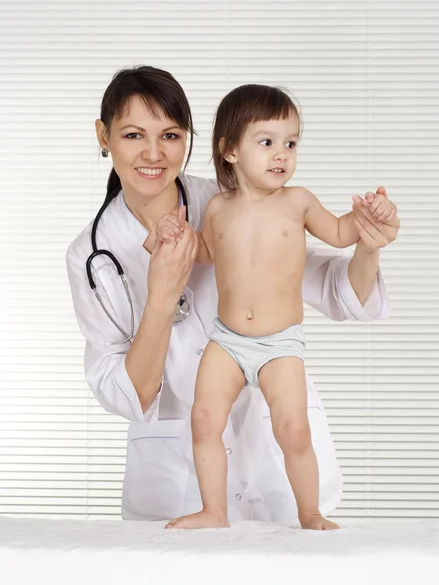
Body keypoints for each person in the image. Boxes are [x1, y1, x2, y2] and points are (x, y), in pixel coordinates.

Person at [65, 66, 400, 524]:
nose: (153, 153)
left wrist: (369, 244)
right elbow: (124, 393)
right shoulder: (91, 254)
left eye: (170, 135)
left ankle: (306, 509)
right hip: (177, 475)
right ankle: (213, 509)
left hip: (273, 450)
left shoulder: (233, 198)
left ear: (190, 139)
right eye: (132, 134)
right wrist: (161, 297)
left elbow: (336, 287)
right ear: (103, 136)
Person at [155, 84, 396, 531]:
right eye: (266, 142)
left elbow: (342, 233)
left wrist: (371, 216)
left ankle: (309, 512)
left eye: (291, 143)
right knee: (204, 418)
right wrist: (177, 234)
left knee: (294, 429)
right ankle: (214, 511)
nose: (281, 154)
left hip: (280, 343)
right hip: (225, 339)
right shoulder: (219, 208)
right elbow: (208, 253)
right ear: (230, 151)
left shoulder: (297, 202)